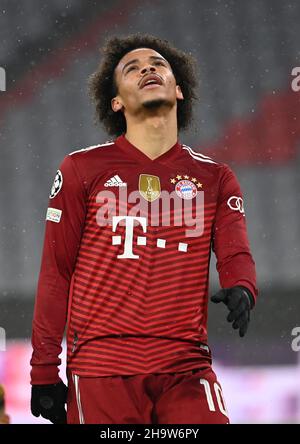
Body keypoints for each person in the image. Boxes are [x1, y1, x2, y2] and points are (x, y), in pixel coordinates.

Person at [30, 33, 258, 424]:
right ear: (116, 102)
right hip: (103, 369)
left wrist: (242, 286)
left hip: (186, 367)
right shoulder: (80, 170)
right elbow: (57, 272)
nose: (147, 69)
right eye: (131, 69)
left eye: (157, 64)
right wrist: (44, 371)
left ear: (179, 89)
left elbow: (235, 251)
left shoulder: (215, 177)